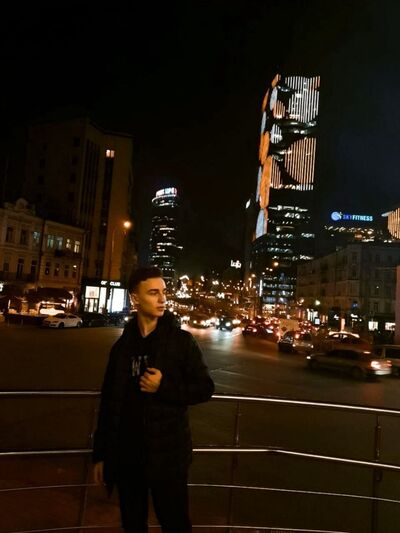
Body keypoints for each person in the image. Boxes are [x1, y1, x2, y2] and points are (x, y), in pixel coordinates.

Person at [92, 266, 215, 533]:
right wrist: (101, 455)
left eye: (164, 292)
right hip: (128, 459)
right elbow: (109, 403)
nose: (162, 299)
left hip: (167, 459)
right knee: (132, 524)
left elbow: (205, 388)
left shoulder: (181, 342)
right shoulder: (122, 348)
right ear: (135, 298)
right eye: (153, 293)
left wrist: (163, 387)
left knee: (175, 524)